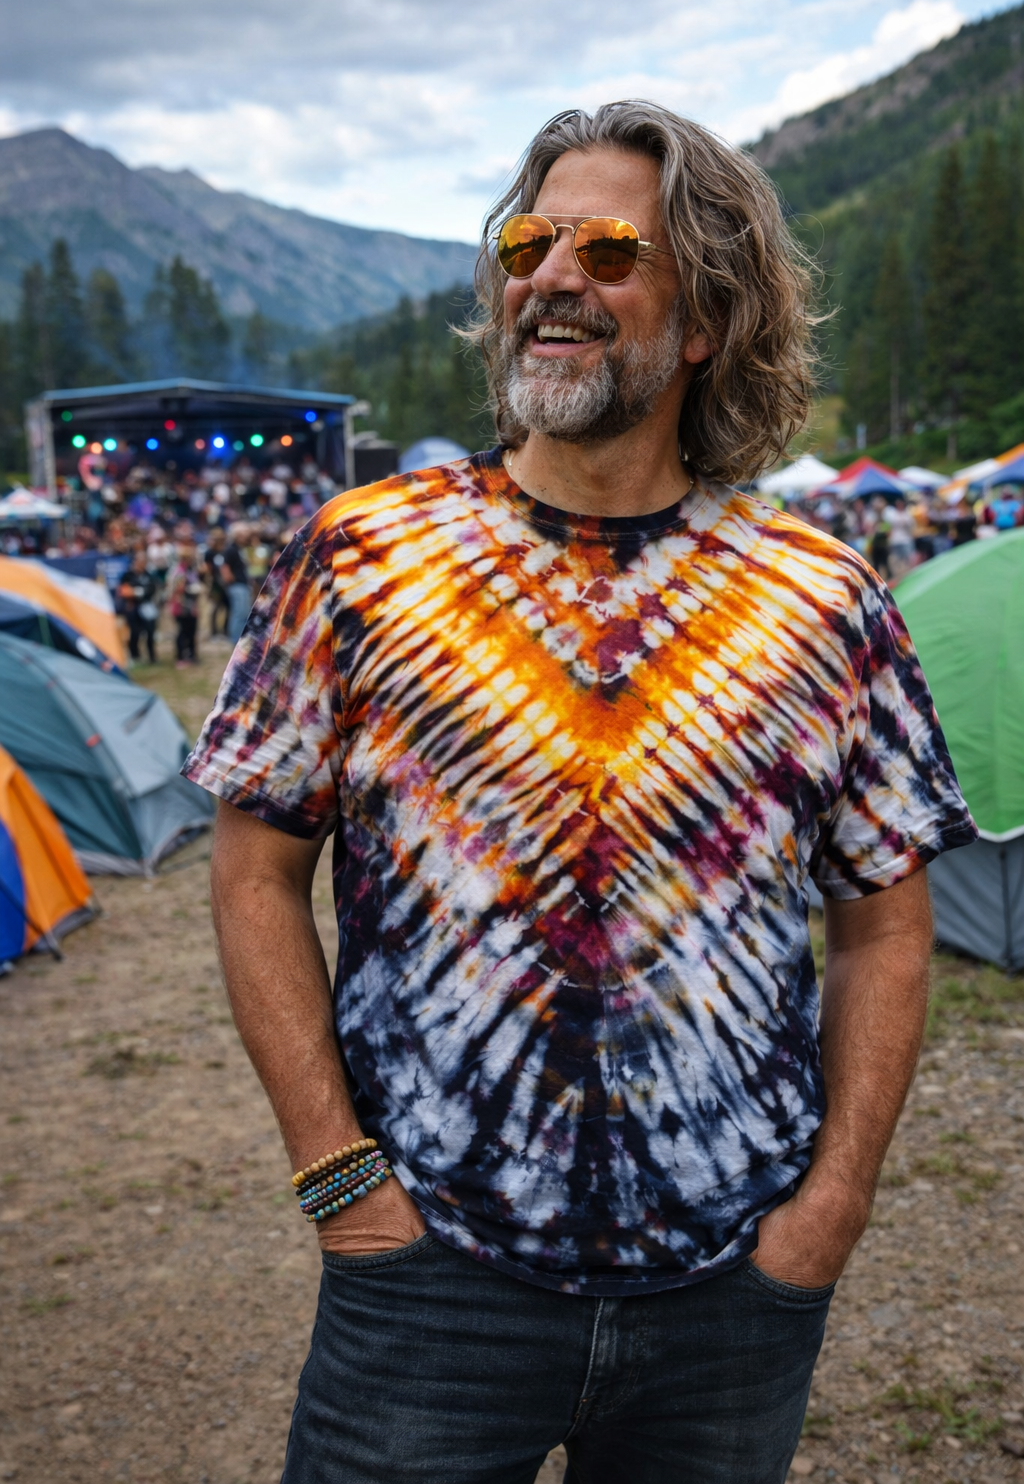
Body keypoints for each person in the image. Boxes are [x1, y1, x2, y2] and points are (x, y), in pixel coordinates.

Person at [184, 102, 976, 1484]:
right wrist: (337, 1176)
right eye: (527, 242)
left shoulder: (822, 596)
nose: (552, 276)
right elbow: (254, 872)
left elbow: (884, 923)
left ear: (709, 315)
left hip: (734, 1292)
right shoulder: (364, 556)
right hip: (427, 1281)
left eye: (611, 249)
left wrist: (831, 1207)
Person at [116, 546, 159, 664]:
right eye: (139, 561)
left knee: (150, 632)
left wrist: (137, 592)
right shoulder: (128, 575)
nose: (141, 564)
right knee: (134, 632)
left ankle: (152, 657)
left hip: (146, 606)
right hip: (132, 607)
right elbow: (123, 591)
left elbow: (151, 589)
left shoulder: (148, 575)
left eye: (144, 561)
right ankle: (135, 655)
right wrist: (135, 592)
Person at [167, 543, 202, 667]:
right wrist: (190, 589)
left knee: (192, 631)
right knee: (182, 631)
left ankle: (192, 655)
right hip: (181, 605)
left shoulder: (190, 570)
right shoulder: (178, 571)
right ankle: (181, 656)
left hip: (191, 605)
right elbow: (178, 588)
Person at [202, 526, 231, 638]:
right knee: (215, 607)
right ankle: (213, 631)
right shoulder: (209, 553)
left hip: (226, 584)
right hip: (215, 584)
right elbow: (207, 569)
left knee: (228, 607)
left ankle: (225, 630)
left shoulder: (226, 551)